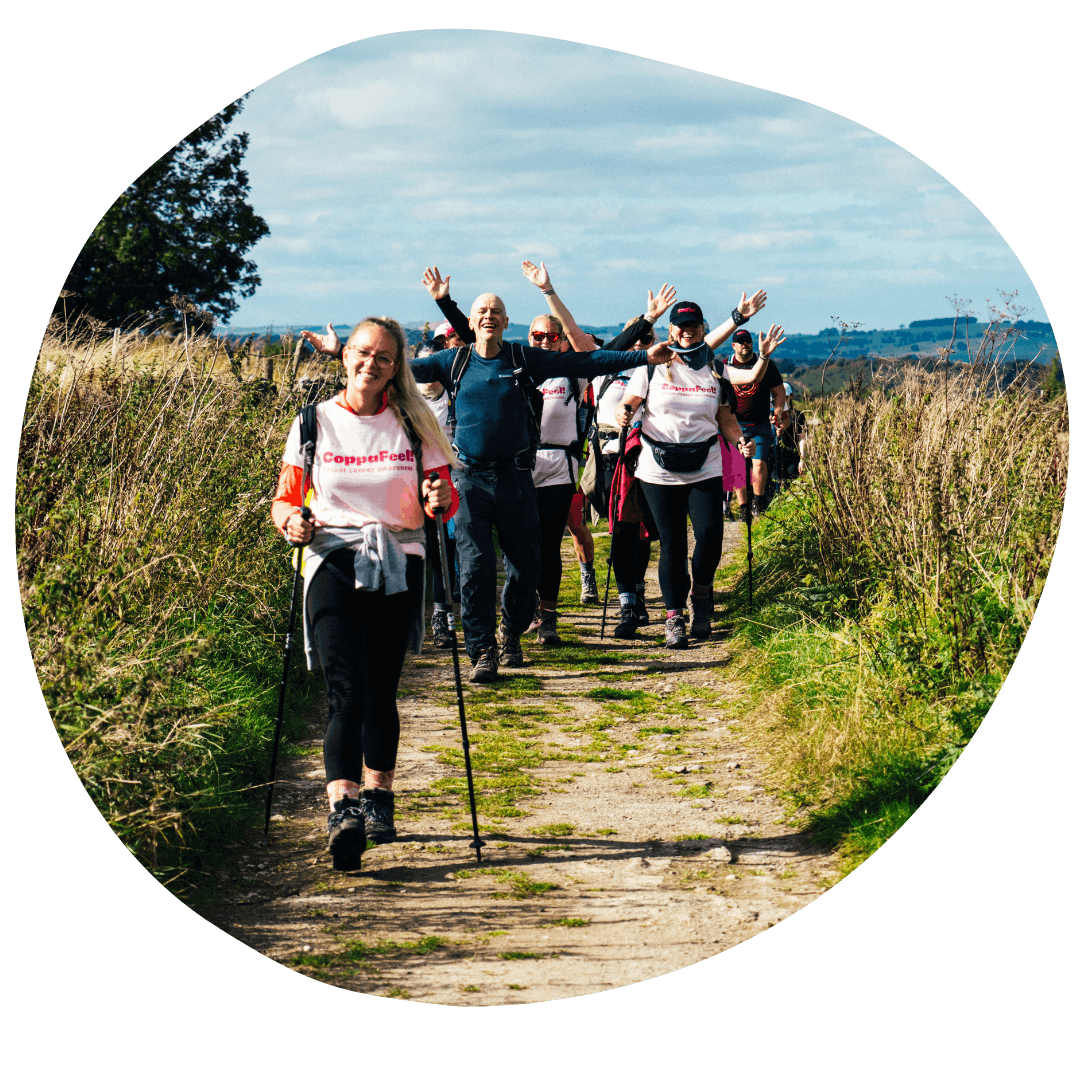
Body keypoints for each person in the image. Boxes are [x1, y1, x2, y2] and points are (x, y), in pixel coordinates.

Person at [410, 281, 678, 682]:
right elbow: (399, 369)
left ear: (504, 322)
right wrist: (347, 356)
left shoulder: (523, 358)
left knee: (526, 569)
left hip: (518, 477)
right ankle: (482, 650)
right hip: (469, 479)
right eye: (481, 311)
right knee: (475, 568)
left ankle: (510, 629)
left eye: (495, 312)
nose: (488, 316)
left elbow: (588, 363)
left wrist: (642, 356)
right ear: (471, 320)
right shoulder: (453, 361)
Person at [272, 317, 459, 870]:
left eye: (382, 357)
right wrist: (293, 524)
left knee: (382, 688)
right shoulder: (312, 423)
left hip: (398, 559)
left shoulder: (414, 422)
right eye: (361, 353)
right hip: (331, 557)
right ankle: (344, 809)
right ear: (345, 356)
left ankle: (379, 798)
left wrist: (436, 498)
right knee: (346, 689)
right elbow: (284, 501)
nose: (369, 363)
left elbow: (444, 499)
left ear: (395, 366)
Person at [617, 304, 784, 647]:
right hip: (658, 467)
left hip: (705, 462)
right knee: (673, 544)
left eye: (692, 324)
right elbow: (631, 401)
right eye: (680, 325)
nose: (686, 330)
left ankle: (702, 597)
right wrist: (625, 412)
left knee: (710, 535)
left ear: (702, 327)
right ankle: (675, 617)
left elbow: (725, 418)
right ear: (670, 330)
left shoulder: (714, 369)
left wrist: (740, 441)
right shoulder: (651, 367)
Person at [726, 328, 787, 518]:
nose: (745, 345)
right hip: (734, 424)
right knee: (738, 466)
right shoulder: (725, 366)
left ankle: (758, 503)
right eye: (741, 342)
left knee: (758, 464)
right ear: (734, 345)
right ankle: (744, 507)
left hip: (759, 424)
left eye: (748, 341)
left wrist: (777, 411)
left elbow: (779, 393)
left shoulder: (767, 365)